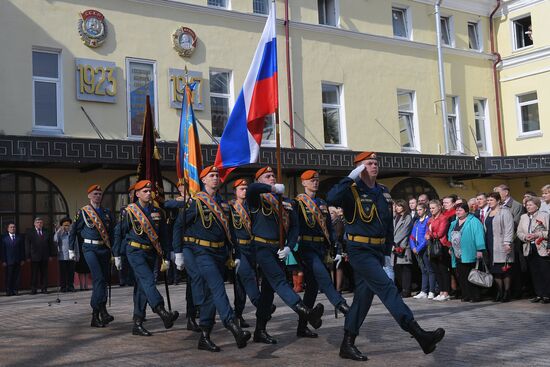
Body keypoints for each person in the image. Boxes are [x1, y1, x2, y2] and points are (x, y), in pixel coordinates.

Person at [327, 151, 444, 361]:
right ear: (359, 168)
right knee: (388, 288)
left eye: (375, 163)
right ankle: (419, 334)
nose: (374, 166)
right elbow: (331, 198)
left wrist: (386, 252)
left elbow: (388, 225)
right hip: (359, 251)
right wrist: (351, 177)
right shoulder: (351, 190)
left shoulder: (383, 192)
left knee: (363, 298)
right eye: (369, 163)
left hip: (377, 251)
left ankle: (347, 343)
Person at [173, 166, 250, 351]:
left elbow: (230, 232)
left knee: (210, 296)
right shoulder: (196, 201)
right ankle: (233, 326)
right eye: (211, 176)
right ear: (203, 180)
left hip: (219, 254)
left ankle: (205, 337)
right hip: (201, 252)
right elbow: (178, 226)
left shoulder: (223, 204)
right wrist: (178, 253)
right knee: (218, 288)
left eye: (217, 175)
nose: (215, 178)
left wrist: (236, 254)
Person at [248, 166, 324, 345]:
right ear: (260, 180)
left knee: (268, 292)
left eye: (273, 176)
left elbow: (294, 227)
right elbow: (252, 189)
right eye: (267, 176)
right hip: (262, 249)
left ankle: (260, 330)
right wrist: (271, 189)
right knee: (280, 280)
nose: (272, 178)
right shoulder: (257, 199)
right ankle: (305, 312)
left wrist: (289, 247)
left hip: (279, 250)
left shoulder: (286, 201)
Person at [114, 180, 179, 336]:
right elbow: (119, 233)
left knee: (142, 287)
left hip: (151, 252)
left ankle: (137, 322)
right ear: (137, 194)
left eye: (150, 191)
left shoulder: (157, 211)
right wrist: (116, 254)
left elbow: (163, 236)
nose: (148, 193)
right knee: (148, 280)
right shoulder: (128, 212)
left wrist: (167, 255)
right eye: (145, 191)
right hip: (135, 252)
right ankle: (162, 312)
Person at [294, 170, 349, 338]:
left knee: (312, 288)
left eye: (317, 180)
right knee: (323, 276)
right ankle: (342, 305)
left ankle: (302, 327)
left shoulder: (322, 203)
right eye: (311, 180)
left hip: (320, 247)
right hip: (306, 246)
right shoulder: (298, 203)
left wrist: (335, 247)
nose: (315, 182)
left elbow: (330, 229)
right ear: (303, 183)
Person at [69, 185, 115, 327]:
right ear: (89, 196)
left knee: (102, 281)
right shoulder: (83, 212)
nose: (98, 196)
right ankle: (103, 310)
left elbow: (112, 233)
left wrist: (115, 252)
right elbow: (73, 231)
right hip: (89, 249)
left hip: (104, 249)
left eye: (100, 194)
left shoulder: (107, 213)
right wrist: (71, 249)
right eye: (95, 194)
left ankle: (95, 316)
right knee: (99, 278)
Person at [166, 179, 202, 333]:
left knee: (195, 281)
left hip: (200, 244)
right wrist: (176, 250)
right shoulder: (178, 202)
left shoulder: (198, 200)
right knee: (194, 278)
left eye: (185, 187)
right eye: (181, 187)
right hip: (184, 244)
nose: (183, 189)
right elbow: (167, 205)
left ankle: (194, 312)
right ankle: (192, 314)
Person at [228, 178, 259, 329]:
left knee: (241, 285)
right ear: (235, 191)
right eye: (241, 189)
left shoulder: (252, 207)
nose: (244, 191)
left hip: (251, 248)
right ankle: (259, 302)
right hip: (238, 249)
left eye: (246, 188)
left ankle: (238, 315)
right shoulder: (230, 208)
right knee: (248, 276)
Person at [448, 202, 486, 303]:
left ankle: (475, 295)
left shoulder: (474, 221)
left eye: (460, 210)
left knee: (472, 275)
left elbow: (479, 235)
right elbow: (450, 236)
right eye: (456, 210)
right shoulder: (454, 222)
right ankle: (466, 295)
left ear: (466, 211)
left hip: (469, 252)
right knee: (462, 275)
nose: (458, 212)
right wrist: (450, 247)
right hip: (457, 253)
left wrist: (479, 249)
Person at [517, 197, 550, 303]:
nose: (528, 207)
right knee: (534, 272)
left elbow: (548, 232)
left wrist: (537, 234)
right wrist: (525, 237)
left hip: (541, 246)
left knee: (544, 271)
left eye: (530, 205)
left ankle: (547, 295)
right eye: (527, 205)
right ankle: (539, 294)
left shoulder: (544, 216)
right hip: (528, 247)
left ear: (537, 205)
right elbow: (519, 232)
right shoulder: (523, 217)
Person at [484, 192, 514, 302]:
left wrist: (507, 242)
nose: (489, 202)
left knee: (504, 270)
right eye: (488, 200)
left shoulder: (505, 212)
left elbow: (509, 228)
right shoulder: (488, 213)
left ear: (498, 200)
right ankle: (499, 292)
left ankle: (507, 292)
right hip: (490, 245)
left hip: (501, 244)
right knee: (495, 270)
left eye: (491, 200)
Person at [426, 200, 451, 301]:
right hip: (432, 245)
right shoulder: (431, 219)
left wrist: (430, 235)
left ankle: (446, 292)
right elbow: (428, 230)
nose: (431, 210)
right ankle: (441, 291)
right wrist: (428, 234)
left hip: (441, 246)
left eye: (433, 208)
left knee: (443, 269)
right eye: (430, 208)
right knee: (436, 270)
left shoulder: (443, 218)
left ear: (439, 207)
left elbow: (440, 233)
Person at [410, 204, 435, 300]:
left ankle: (432, 291)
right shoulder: (416, 222)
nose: (418, 211)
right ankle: (424, 290)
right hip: (417, 250)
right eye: (417, 210)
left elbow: (426, 236)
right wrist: (413, 247)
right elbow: (412, 236)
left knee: (430, 270)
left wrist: (419, 248)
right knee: (423, 270)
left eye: (420, 209)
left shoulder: (428, 220)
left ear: (425, 209)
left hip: (425, 249)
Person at [25, 217, 56, 294]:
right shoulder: (30, 232)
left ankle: (44, 288)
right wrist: (28, 256)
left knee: (44, 274)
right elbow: (27, 245)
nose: (39, 224)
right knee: (34, 274)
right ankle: (33, 289)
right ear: (34, 224)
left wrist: (51, 255)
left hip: (45, 256)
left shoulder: (46, 232)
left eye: (41, 222)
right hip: (34, 257)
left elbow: (50, 244)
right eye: (38, 222)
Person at [392, 199, 413, 298]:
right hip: (394, 246)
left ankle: (406, 290)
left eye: (399, 206)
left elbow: (405, 231)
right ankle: (400, 289)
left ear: (404, 206)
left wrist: (394, 242)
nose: (397, 207)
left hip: (403, 245)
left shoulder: (407, 217)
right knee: (397, 268)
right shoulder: (395, 217)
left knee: (405, 269)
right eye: (396, 206)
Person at [1, 222, 25, 296]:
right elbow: (2, 250)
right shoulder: (4, 239)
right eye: (11, 227)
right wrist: (4, 260)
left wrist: (22, 259)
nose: (12, 228)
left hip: (18, 260)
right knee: (9, 276)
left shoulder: (19, 238)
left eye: (14, 227)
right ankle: (9, 290)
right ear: (8, 229)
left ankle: (15, 290)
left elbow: (22, 250)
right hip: (8, 261)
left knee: (17, 277)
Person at [55, 217, 76, 292]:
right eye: (65, 225)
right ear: (62, 226)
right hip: (62, 256)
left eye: (68, 225)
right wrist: (58, 231)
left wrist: (77, 255)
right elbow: (55, 240)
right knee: (63, 273)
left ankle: (71, 286)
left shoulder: (72, 234)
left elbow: (76, 245)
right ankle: (63, 287)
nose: (67, 227)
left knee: (71, 273)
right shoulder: (60, 234)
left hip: (71, 256)